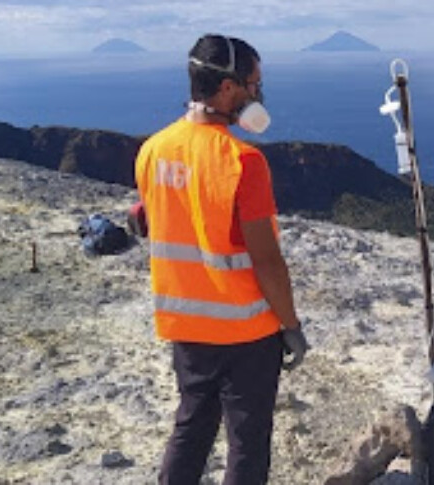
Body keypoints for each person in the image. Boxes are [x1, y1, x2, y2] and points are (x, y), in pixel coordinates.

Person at [134, 33, 309, 485]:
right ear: (228, 88)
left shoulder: (153, 150)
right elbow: (267, 262)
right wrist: (291, 327)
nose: (257, 94)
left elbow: (160, 219)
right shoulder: (243, 162)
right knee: (248, 444)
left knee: (191, 428)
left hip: (186, 326)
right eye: (253, 84)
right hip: (246, 332)